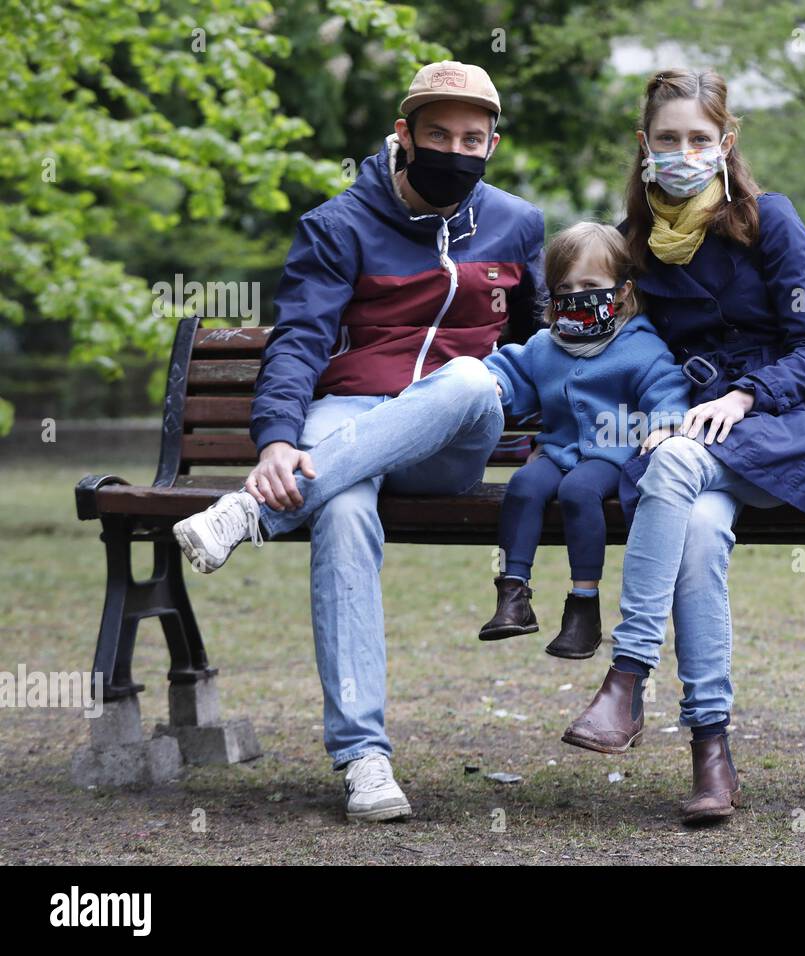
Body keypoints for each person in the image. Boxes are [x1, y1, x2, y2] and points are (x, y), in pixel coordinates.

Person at [171, 61, 546, 823]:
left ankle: (248, 512)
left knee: (476, 379)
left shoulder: (518, 223)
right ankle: (365, 761)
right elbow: (301, 342)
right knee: (339, 512)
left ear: (492, 145)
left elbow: (543, 344)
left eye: (472, 139)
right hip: (346, 416)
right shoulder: (338, 223)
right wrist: (277, 439)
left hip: (452, 433)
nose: (455, 150)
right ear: (403, 135)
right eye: (437, 134)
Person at [560, 68, 805, 824]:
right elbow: (624, 352)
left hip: (788, 423)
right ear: (644, 146)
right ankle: (711, 754)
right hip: (695, 436)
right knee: (694, 534)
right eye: (668, 139)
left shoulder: (771, 221)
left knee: (672, 462)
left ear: (726, 144)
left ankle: (625, 678)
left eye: (700, 138)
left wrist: (743, 395)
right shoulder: (638, 246)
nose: (684, 150)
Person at [479, 222, 690, 659]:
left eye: (591, 285)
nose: (577, 296)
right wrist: (492, 385)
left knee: (578, 492)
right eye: (565, 287)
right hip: (557, 451)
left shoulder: (640, 346)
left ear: (622, 292)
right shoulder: (546, 345)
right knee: (522, 485)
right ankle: (513, 594)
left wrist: (664, 424)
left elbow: (666, 387)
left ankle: (583, 606)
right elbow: (511, 369)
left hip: (612, 455)